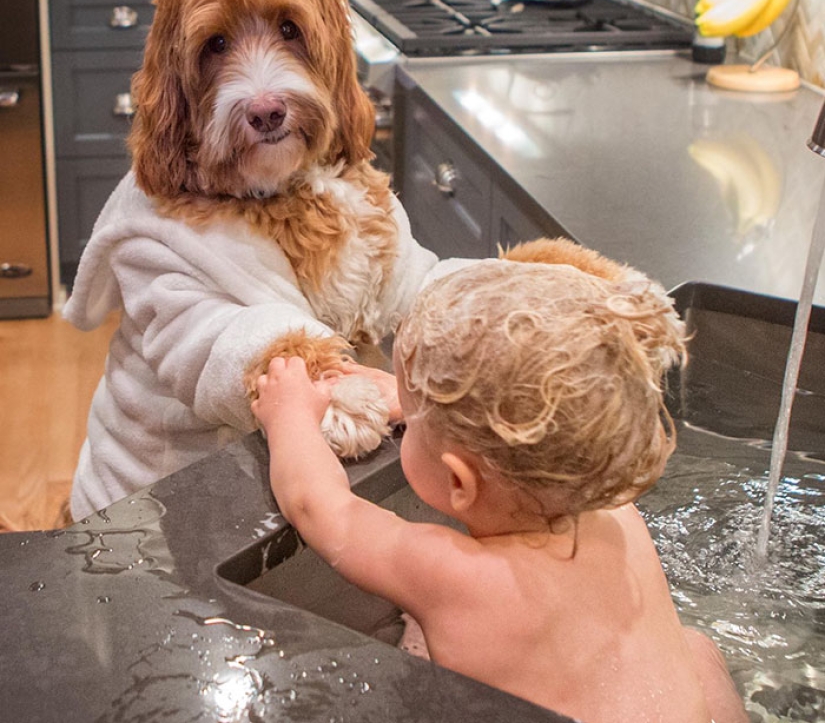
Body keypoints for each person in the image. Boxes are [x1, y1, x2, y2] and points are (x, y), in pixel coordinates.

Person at [252, 258, 747, 723]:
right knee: (696, 648)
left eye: (416, 419)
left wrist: (289, 413)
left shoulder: (455, 576)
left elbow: (318, 506)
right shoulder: (616, 509)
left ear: (459, 482)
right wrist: (434, 409)